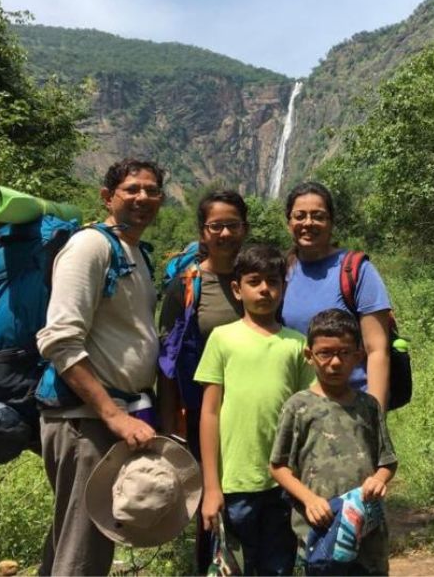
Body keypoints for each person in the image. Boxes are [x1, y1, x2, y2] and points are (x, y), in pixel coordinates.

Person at [35, 158, 164, 576]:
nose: (142, 197)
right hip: (86, 419)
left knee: (72, 542)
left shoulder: (135, 253)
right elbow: (58, 339)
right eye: (132, 189)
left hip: (110, 418)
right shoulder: (90, 246)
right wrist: (111, 414)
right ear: (107, 196)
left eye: (151, 190)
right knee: (84, 551)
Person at [195, 244, 316, 576]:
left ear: (283, 287)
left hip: (285, 485)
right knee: (234, 567)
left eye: (273, 281)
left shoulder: (296, 344)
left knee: (278, 567)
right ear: (237, 289)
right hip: (235, 484)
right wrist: (211, 487)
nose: (265, 289)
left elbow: (309, 413)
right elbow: (209, 414)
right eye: (254, 281)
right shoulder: (222, 339)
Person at [156, 189, 248, 572]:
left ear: (245, 228)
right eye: (216, 226)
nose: (224, 234)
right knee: (212, 503)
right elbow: (166, 360)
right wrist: (167, 427)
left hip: (256, 409)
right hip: (202, 412)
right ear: (202, 231)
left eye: (232, 225)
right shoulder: (186, 286)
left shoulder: (259, 275)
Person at [270, 308, 398, 576]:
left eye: (343, 353)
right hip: (321, 528)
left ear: (358, 355)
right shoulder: (298, 407)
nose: (335, 363)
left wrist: (378, 480)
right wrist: (310, 500)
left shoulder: (368, 406)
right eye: (325, 353)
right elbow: (279, 467)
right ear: (309, 356)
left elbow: (387, 461)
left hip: (367, 531)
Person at [281, 182, 394, 410]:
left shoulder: (356, 271)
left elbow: (377, 350)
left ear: (331, 223)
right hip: (297, 409)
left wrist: (375, 419)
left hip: (350, 409)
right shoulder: (279, 272)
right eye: (300, 216)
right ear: (289, 223)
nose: (308, 223)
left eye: (318, 216)